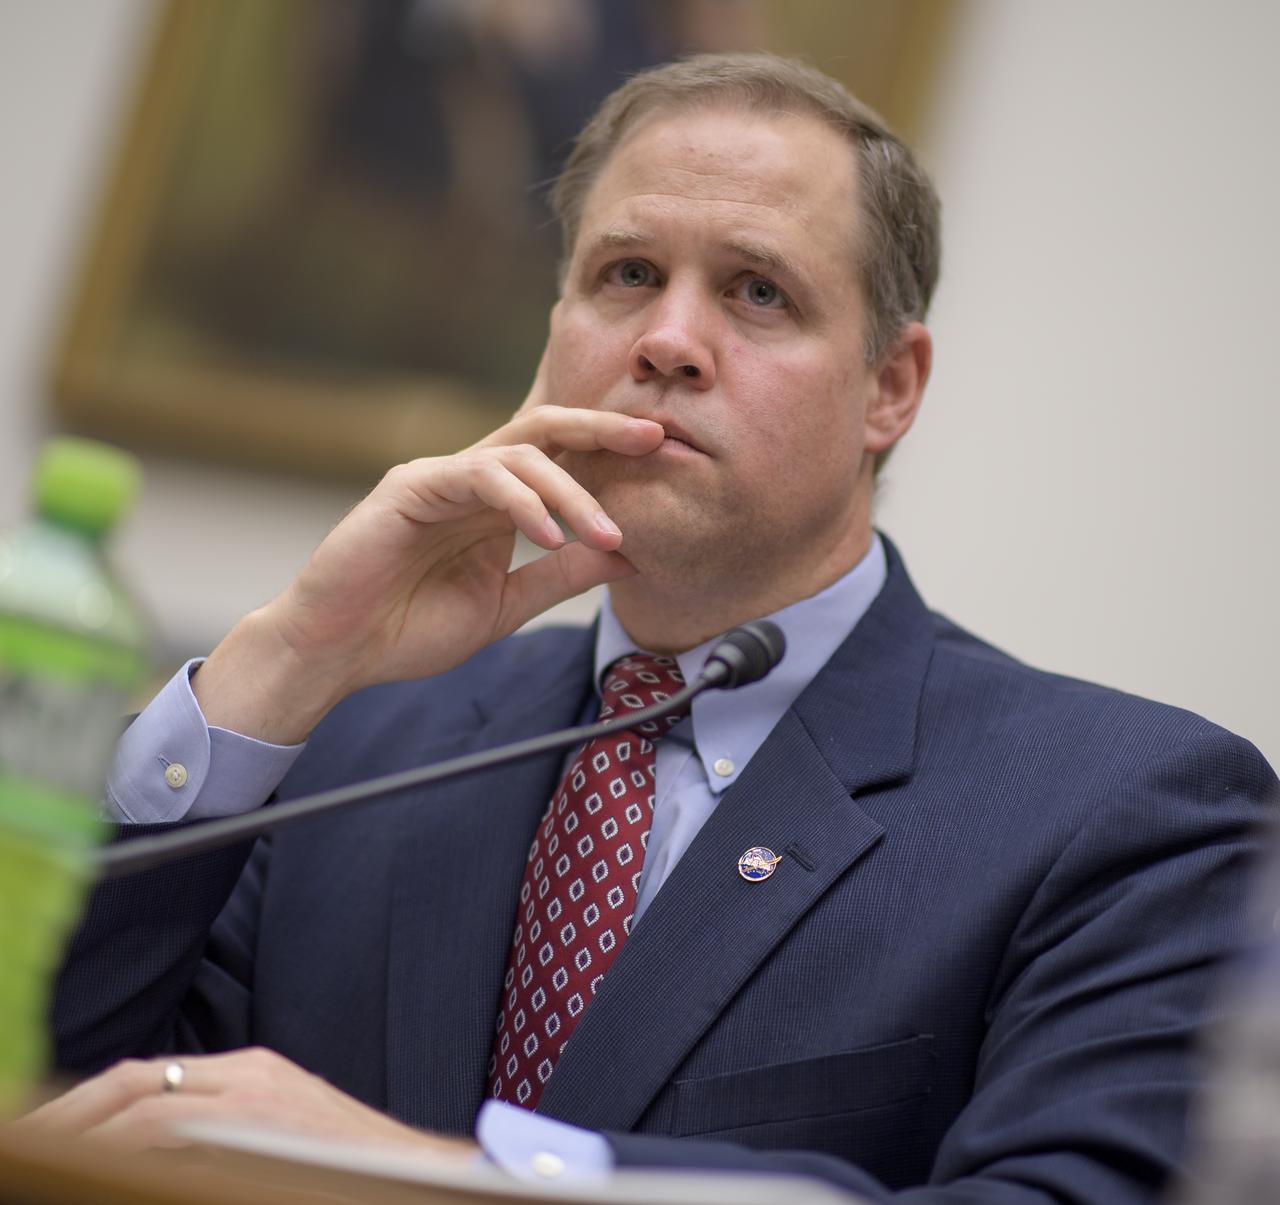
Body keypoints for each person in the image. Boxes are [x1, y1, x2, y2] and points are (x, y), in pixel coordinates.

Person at [26, 53, 1275, 1201]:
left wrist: (464, 1174)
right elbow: (56, 1090)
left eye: (757, 291)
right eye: (626, 275)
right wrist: (290, 654)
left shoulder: (1125, 809)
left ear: (887, 388)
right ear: (556, 327)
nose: (668, 341)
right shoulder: (355, 742)